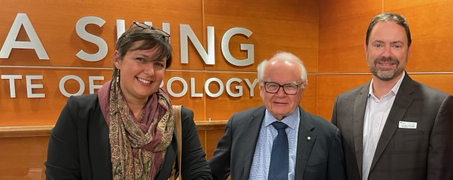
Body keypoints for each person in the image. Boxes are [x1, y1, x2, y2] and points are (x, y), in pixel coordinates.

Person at [45, 21, 212, 180]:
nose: (150, 71)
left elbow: (200, 173)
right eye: (141, 59)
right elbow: (59, 175)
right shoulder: (80, 112)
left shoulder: (179, 118)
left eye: (158, 64)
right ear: (118, 59)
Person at [331, 12, 453, 180]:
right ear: (365, 48)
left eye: (396, 46)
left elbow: (442, 175)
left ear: (409, 49)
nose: (386, 54)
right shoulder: (343, 104)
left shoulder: (437, 107)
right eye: (378, 45)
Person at [208, 52, 346, 180]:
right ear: (261, 88)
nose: (280, 94)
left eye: (290, 86)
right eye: (272, 85)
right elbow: (212, 174)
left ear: (302, 89)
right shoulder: (238, 125)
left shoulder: (327, 135)